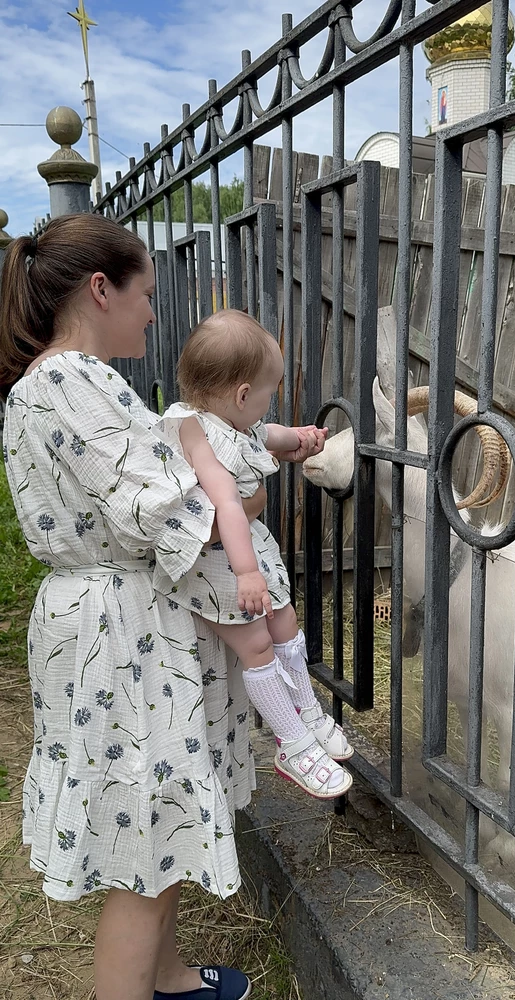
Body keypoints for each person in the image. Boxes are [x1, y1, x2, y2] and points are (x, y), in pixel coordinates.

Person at [0, 215, 323, 1000]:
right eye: (146, 294)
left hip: (119, 622)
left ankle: (171, 978)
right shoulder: (74, 380)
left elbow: (170, 468)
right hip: (121, 632)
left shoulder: (63, 383)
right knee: (142, 837)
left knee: (161, 821)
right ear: (100, 289)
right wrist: (251, 486)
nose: (153, 313)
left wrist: (250, 452)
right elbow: (187, 509)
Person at [155, 310, 354, 801]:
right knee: (258, 646)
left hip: (251, 557)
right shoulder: (193, 430)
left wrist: (305, 439)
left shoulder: (235, 424)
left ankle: (308, 713)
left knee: (286, 626)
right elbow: (225, 503)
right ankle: (291, 743)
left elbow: (272, 435)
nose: (270, 404)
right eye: (269, 392)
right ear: (243, 394)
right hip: (223, 565)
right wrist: (246, 572)